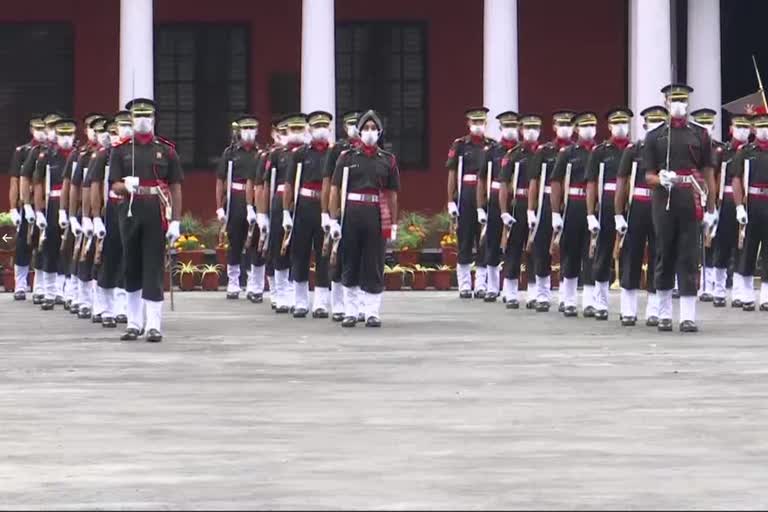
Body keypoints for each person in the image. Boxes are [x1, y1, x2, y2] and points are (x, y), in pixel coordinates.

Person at [642, 84, 717, 332]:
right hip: (664, 198)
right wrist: (659, 179)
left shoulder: (699, 134)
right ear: (665, 103)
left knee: (689, 255)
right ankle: (663, 313)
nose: (678, 105)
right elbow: (647, 175)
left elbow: (708, 171)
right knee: (664, 252)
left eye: (683, 101)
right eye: (674, 101)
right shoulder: (655, 137)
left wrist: (711, 207)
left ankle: (687, 315)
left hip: (691, 196)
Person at [109, 98, 183, 342]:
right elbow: (114, 185)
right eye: (138, 116)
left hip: (156, 210)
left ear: (153, 119)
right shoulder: (120, 150)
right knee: (131, 264)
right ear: (131, 119)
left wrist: (176, 221)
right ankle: (133, 323)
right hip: (130, 210)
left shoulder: (166, 150)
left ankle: (153, 324)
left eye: (147, 116)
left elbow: (175, 186)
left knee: (153, 266)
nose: (142, 120)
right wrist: (125, 186)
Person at [329, 109, 399, 327]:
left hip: (377, 214)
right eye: (366, 128)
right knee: (350, 261)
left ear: (379, 132)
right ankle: (351, 311)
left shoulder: (388, 160)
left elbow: (392, 194)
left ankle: (372, 312)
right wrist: (333, 220)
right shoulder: (347, 157)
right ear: (358, 132)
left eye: (373, 128)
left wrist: (393, 224)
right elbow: (334, 189)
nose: (370, 132)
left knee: (374, 263)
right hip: (352, 213)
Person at [615, 106, 667, 327]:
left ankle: (654, 309)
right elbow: (621, 182)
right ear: (644, 126)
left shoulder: (669, 151)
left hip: (660, 205)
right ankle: (628, 309)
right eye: (652, 122)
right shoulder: (633, 150)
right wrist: (619, 213)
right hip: (637, 206)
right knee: (632, 255)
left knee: (659, 255)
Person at [585, 108, 633, 321]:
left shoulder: (635, 150)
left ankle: (628, 306)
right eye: (617, 123)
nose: (621, 126)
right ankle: (600, 301)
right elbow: (592, 183)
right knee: (603, 252)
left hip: (630, 204)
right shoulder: (600, 151)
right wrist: (590, 212)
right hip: (606, 204)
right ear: (610, 127)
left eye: (625, 122)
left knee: (630, 253)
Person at [283, 110, 333, 318]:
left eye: (324, 126)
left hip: (326, 206)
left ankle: (321, 302)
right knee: (300, 253)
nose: (320, 130)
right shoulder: (301, 154)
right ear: (310, 129)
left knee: (324, 254)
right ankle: (300, 301)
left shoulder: (335, 153)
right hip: (304, 205)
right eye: (316, 126)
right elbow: (288, 184)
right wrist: (287, 211)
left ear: (329, 128)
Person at [526, 110, 575, 312]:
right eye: (561, 124)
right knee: (541, 249)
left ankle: (566, 295)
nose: (565, 128)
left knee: (569, 249)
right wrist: (531, 209)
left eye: (568, 124)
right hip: (546, 201)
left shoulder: (576, 150)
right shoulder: (544, 151)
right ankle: (542, 294)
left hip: (571, 201)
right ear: (554, 127)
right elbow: (534, 182)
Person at [550, 111, 598, 317]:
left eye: (592, 125)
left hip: (594, 207)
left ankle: (589, 301)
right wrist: (555, 212)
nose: (589, 130)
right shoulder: (568, 153)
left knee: (590, 254)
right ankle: (568, 299)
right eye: (584, 126)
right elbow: (556, 182)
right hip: (572, 205)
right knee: (570, 253)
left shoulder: (599, 151)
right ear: (577, 129)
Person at [446, 107, 496, 299]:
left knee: (484, 240)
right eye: (474, 122)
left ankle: (481, 284)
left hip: (484, 195)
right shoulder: (460, 145)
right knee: (465, 238)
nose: (477, 126)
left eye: (481, 122)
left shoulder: (492, 146)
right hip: (466, 195)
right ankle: (465, 284)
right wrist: (451, 201)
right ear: (468, 124)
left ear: (486, 124)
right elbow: (452, 174)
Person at [259, 114, 305, 314]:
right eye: (290, 130)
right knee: (279, 247)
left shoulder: (307, 154)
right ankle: (280, 292)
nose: (294, 134)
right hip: (279, 202)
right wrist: (263, 213)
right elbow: (266, 184)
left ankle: (296, 292)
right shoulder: (277, 155)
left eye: (298, 130)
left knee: (299, 248)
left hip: (302, 202)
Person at [705, 113, 750, 308]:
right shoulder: (722, 151)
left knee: (743, 248)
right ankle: (719, 290)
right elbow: (713, 179)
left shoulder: (751, 151)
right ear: (731, 129)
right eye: (738, 127)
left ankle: (739, 292)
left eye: (746, 127)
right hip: (725, 201)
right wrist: (712, 205)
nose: (742, 131)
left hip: (747, 203)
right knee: (722, 246)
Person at [215, 115, 261, 300]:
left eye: (252, 128)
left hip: (257, 199)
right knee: (235, 241)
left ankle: (253, 283)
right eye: (245, 129)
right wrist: (219, 206)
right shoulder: (231, 153)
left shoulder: (261, 153)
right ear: (240, 132)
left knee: (255, 242)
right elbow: (220, 181)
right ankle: (233, 282)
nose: (249, 132)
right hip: (235, 199)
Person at [33, 118, 77, 310]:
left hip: (73, 204)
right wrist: (37, 211)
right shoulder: (47, 155)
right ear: (56, 136)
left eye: (69, 134)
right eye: (62, 135)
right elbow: (37, 182)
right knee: (51, 247)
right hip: (53, 202)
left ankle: (67, 292)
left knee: (71, 249)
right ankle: (49, 292)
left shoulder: (79, 154)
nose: (66, 139)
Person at [499, 114, 540, 308]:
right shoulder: (513, 155)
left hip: (538, 206)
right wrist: (503, 211)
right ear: (521, 130)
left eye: (535, 128)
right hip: (517, 204)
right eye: (528, 128)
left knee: (534, 250)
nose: (531, 132)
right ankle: (511, 291)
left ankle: (533, 293)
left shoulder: (543, 153)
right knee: (514, 249)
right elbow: (503, 184)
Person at [324, 111, 362, 321]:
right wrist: (330, 213)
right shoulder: (338, 150)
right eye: (351, 125)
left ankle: (362, 305)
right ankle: (338, 304)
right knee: (339, 258)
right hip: (342, 207)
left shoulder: (374, 151)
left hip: (362, 209)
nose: (356, 129)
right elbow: (330, 183)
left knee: (363, 259)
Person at [477, 111, 519, 302]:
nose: (510, 130)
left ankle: (510, 288)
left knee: (513, 244)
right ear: (501, 128)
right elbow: (482, 179)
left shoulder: (522, 152)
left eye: (514, 126)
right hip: (494, 199)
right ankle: (492, 286)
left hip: (516, 200)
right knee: (492, 242)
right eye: (507, 126)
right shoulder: (492, 151)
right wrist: (480, 205)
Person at [21, 112, 62, 304]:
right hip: (44, 204)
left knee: (64, 247)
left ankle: (60, 289)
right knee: (41, 244)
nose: (53, 131)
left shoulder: (71, 151)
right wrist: (31, 208)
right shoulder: (37, 152)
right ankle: (42, 287)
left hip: (64, 204)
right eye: (50, 127)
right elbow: (27, 178)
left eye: (57, 127)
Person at [69, 114, 105, 319]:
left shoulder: (110, 154)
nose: (97, 133)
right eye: (93, 128)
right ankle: (82, 299)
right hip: (88, 213)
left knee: (103, 260)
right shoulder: (81, 155)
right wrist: (78, 216)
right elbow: (76, 186)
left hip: (108, 212)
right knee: (84, 257)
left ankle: (100, 302)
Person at [731, 112, 768, 311]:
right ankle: (746, 294)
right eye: (761, 126)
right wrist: (738, 206)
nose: (765, 130)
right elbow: (736, 179)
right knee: (748, 249)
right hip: (752, 202)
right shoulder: (745, 151)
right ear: (754, 129)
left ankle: (765, 296)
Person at [8, 115, 46, 300]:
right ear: (32, 130)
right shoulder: (22, 151)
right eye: (37, 128)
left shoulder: (50, 151)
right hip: (27, 204)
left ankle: (39, 285)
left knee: (42, 244)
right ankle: (20, 285)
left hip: (46, 204)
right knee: (23, 244)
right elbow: (15, 180)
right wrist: (14, 207)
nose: (41, 132)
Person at [691, 108, 725, 302]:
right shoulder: (691, 146)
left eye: (709, 123)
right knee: (688, 241)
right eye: (701, 123)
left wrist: (713, 206)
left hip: (711, 197)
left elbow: (719, 176)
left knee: (710, 242)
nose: (706, 127)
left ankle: (708, 284)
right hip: (691, 196)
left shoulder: (720, 149)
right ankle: (686, 282)